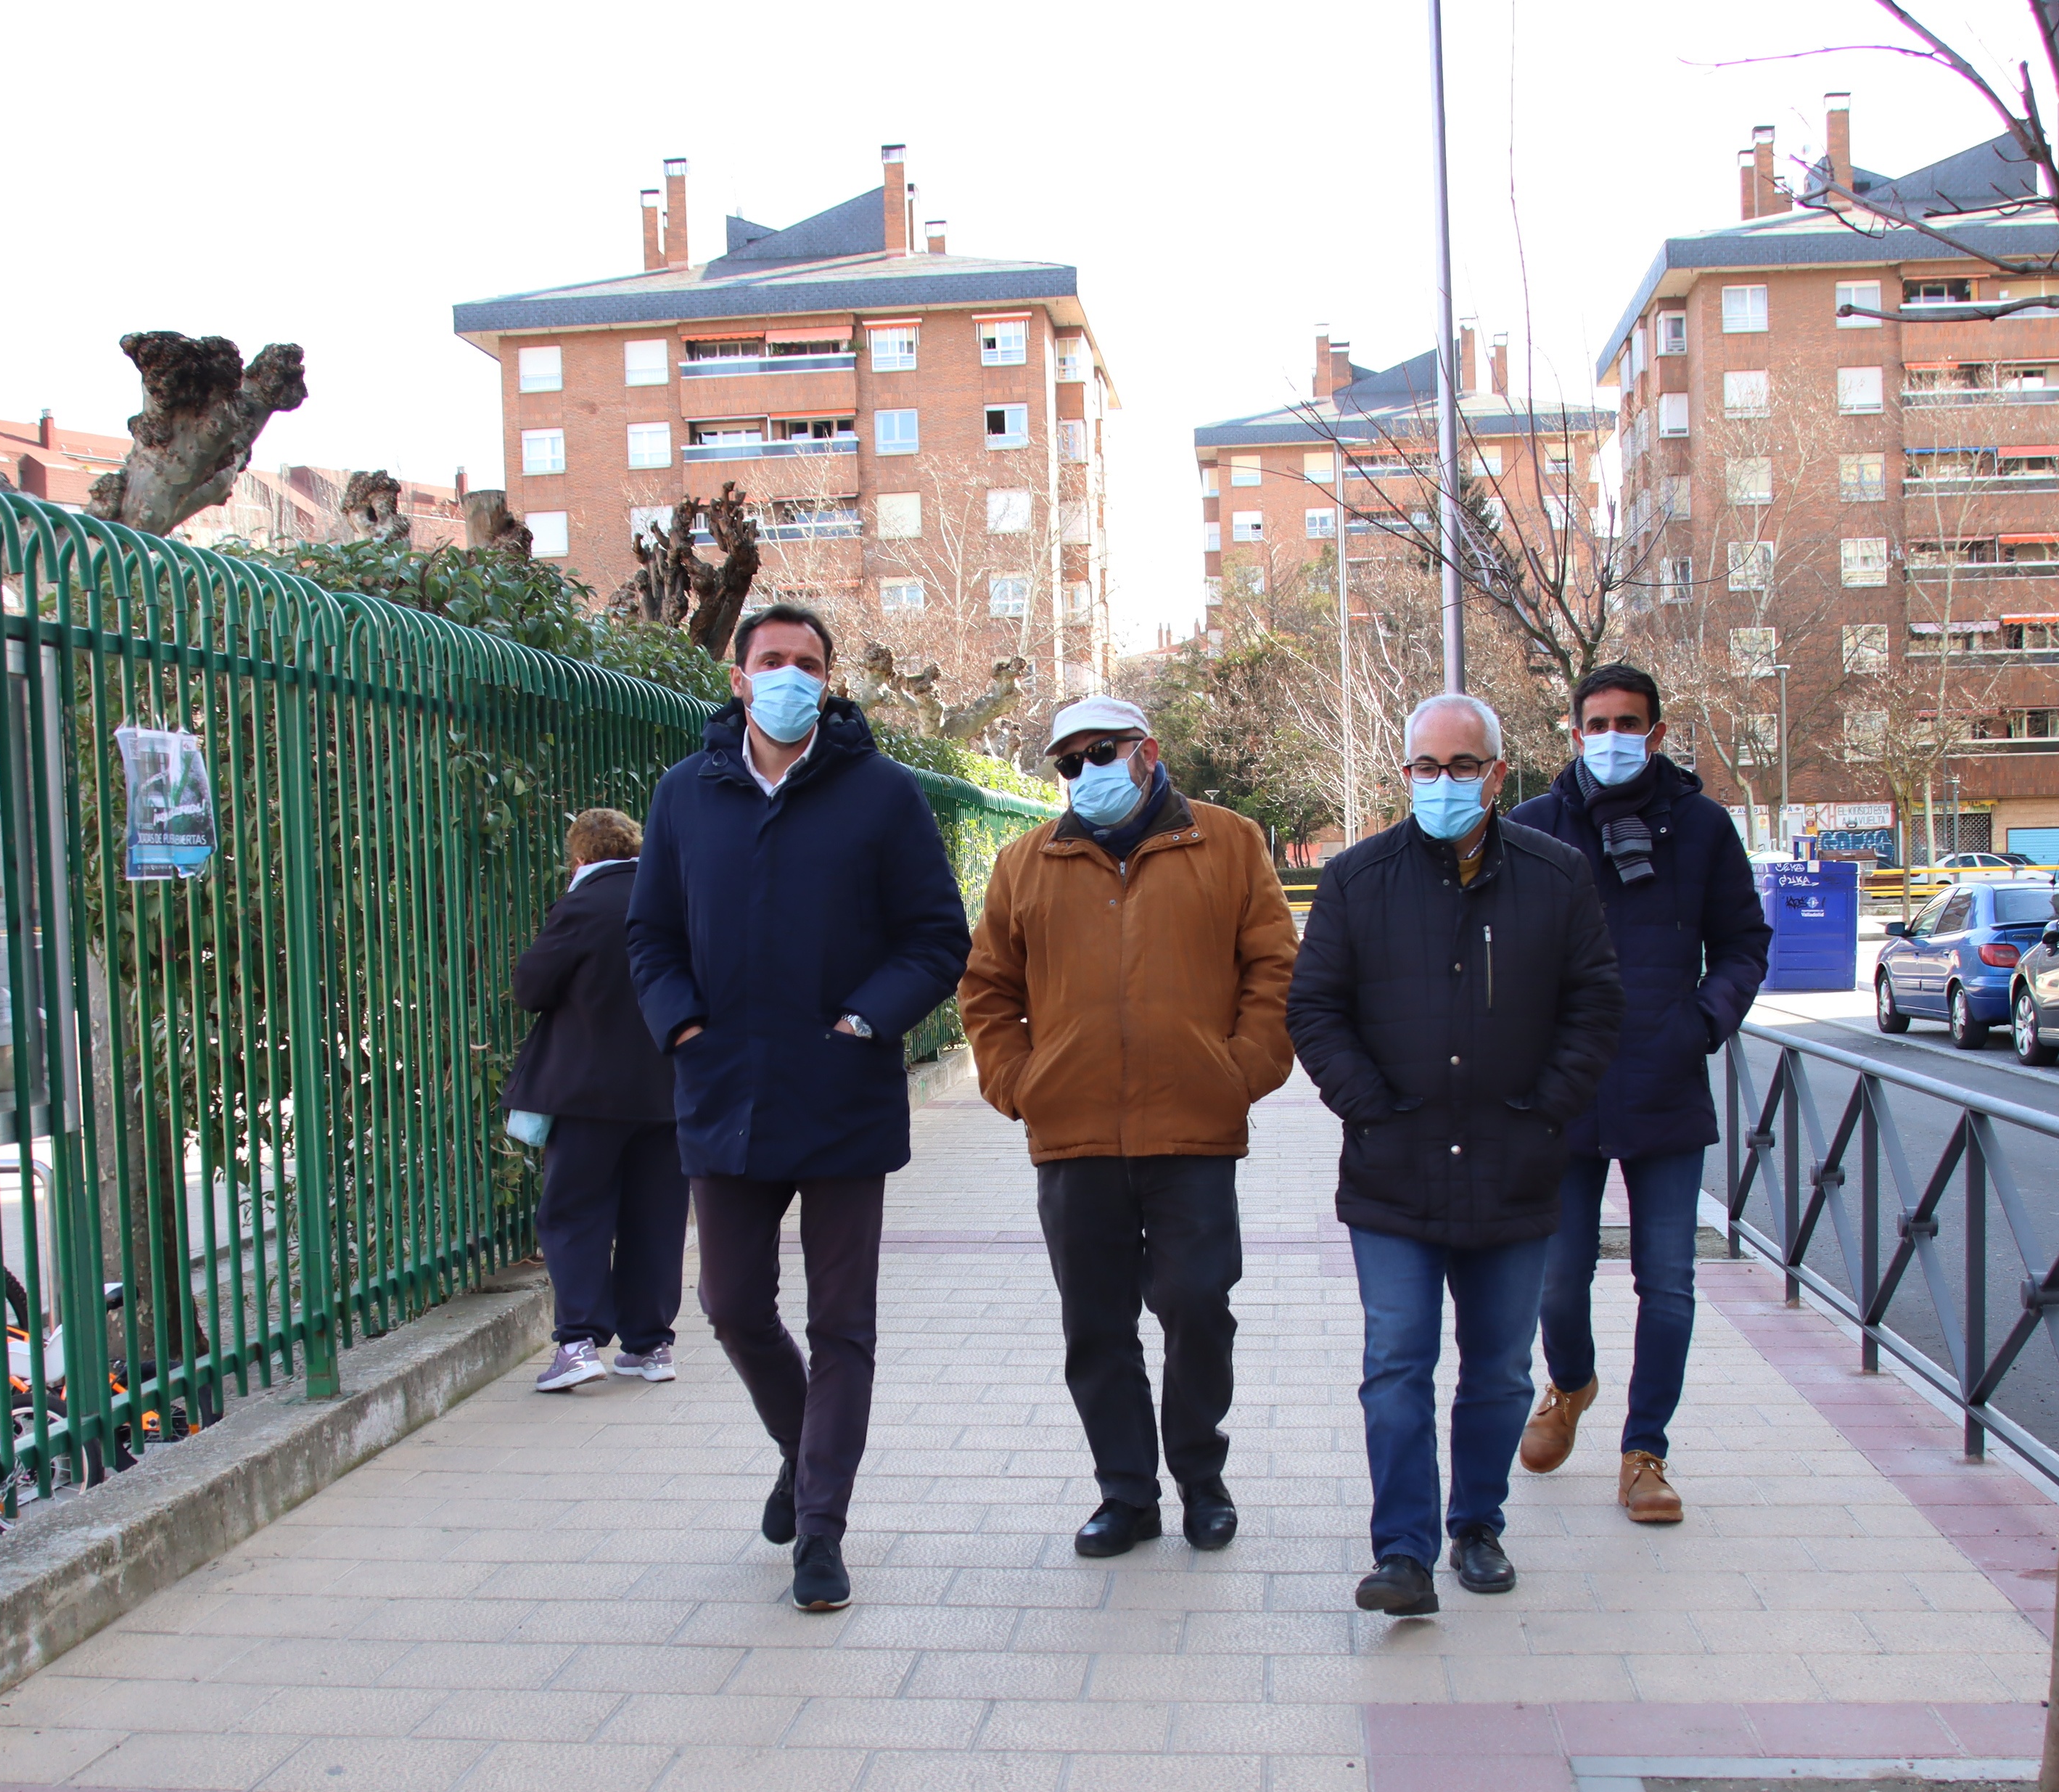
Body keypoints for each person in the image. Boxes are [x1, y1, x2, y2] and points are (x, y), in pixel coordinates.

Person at [625, 604, 973, 1614]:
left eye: (808, 663)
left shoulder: (883, 794)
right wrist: (683, 1027)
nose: (790, 675)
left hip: (840, 1095)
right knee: (731, 1306)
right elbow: (650, 936)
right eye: (771, 660)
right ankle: (802, 1447)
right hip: (722, 1092)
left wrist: (866, 1020)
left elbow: (935, 936)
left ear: (830, 679)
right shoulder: (685, 794)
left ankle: (821, 1527)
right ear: (738, 678)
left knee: (842, 1323)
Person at [1288, 694, 1624, 1616]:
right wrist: (1368, 1106)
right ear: (1405, 775)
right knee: (1397, 1364)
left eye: (1463, 765)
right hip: (1393, 1171)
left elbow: (1595, 1005)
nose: (1444, 782)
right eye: (1427, 767)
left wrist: (1547, 1110)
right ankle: (1403, 1551)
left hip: (1515, 1167)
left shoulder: (1557, 876)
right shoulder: (1356, 879)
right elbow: (1314, 1007)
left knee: (1501, 1371)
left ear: (1497, 773)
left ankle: (1478, 1524)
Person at [960, 695, 1299, 1558]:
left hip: (1192, 1127)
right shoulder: (1025, 861)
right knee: (1096, 1325)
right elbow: (988, 986)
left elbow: (1274, 967)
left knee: (1197, 1304)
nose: (1085, 772)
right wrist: (1019, 1083)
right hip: (1073, 1134)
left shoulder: (1229, 841)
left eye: (1100, 752)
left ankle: (1201, 1478)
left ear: (1147, 750)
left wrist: (1241, 1071)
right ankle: (1126, 1493)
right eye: (1068, 762)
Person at [1505, 662, 1772, 1525]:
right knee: (1558, 1276)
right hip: (1564, 1088)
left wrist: (1701, 1022)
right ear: (1573, 732)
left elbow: (1744, 942)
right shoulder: (1532, 828)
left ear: (1657, 733)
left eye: (1630, 723)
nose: (1613, 737)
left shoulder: (1701, 827)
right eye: (1598, 723)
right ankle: (1571, 1382)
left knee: (1669, 1281)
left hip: (1664, 1082)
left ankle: (1644, 1451)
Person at [504, 805, 686, 1392]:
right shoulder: (675, 899)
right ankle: (650, 1344)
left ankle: (578, 1343)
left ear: (579, 857)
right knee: (655, 1216)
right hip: (667, 1091)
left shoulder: (584, 904)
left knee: (575, 1211)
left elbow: (531, 987)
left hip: (587, 1095)